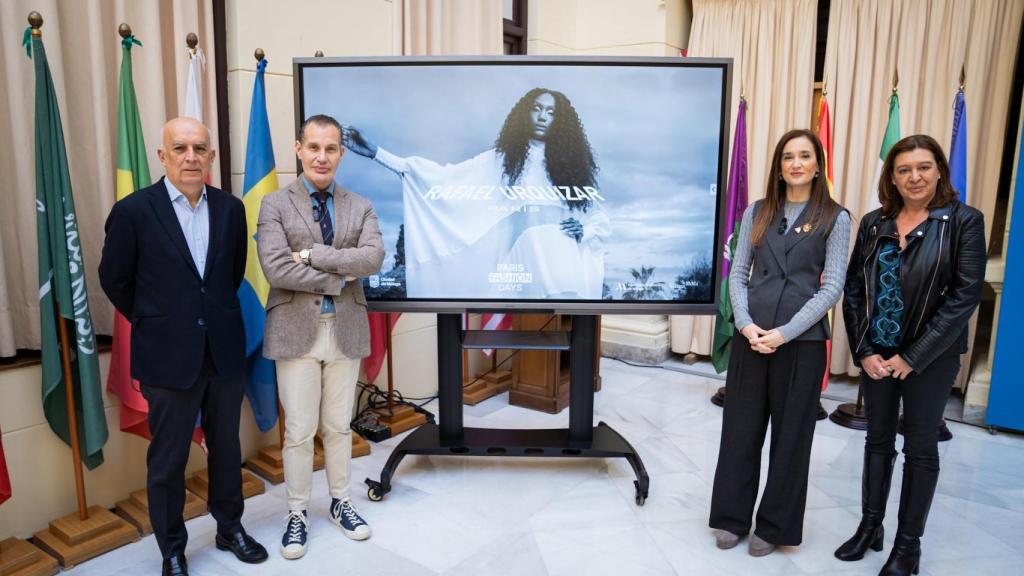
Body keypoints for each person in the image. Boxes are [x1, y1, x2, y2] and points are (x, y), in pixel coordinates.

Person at [98, 117, 268, 576]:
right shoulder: (134, 211)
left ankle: (230, 528)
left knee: (226, 448)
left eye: (199, 148)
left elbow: (229, 275)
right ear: (163, 156)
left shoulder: (231, 209)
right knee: (168, 459)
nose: (190, 157)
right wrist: (157, 320)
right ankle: (172, 547)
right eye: (180, 148)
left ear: (211, 156)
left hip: (223, 353)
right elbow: (114, 279)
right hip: (167, 355)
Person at [837, 134, 985, 575]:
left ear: (939, 170)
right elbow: (854, 290)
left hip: (931, 358)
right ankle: (870, 527)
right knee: (877, 441)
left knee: (920, 449)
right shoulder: (874, 222)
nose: (914, 176)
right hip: (877, 355)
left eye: (923, 167)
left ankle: (908, 547)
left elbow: (964, 297)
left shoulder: (963, 221)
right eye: (904, 169)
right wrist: (863, 350)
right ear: (893, 177)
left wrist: (913, 357)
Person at [709, 129, 851, 556]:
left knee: (791, 438)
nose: (796, 163)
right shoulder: (758, 210)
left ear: (817, 165)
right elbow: (738, 273)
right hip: (751, 339)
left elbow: (832, 287)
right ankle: (731, 517)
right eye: (788, 156)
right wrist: (746, 324)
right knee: (740, 431)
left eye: (804, 156)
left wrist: (786, 332)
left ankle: (774, 526)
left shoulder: (836, 217)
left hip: (801, 344)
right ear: (778, 165)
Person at [257, 114, 385, 560]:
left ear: (341, 154)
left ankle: (340, 502)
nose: (322, 157)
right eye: (313, 147)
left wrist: (312, 255)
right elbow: (276, 268)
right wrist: (338, 276)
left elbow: (371, 259)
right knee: (298, 431)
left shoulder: (360, 205)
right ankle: (297, 512)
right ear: (299, 150)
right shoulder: (274, 204)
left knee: (338, 426)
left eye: (331, 148)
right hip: (296, 332)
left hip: (345, 329)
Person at [342, 87, 609, 299]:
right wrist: (377, 153)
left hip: (563, 261)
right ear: (524, 114)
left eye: (550, 112)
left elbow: (598, 217)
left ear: (560, 120)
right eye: (536, 108)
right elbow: (442, 179)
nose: (542, 116)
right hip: (524, 263)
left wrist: (584, 231)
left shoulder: (573, 168)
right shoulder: (503, 161)